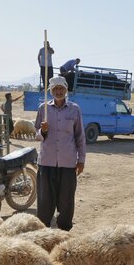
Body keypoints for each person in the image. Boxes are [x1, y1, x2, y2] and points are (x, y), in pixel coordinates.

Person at [34, 76, 86, 231]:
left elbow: (80, 136)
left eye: (61, 88)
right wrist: (42, 131)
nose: (58, 91)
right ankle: (44, 232)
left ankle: (64, 232)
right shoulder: (43, 108)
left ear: (66, 89)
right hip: (46, 163)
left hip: (68, 163)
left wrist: (81, 160)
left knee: (66, 201)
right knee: (45, 201)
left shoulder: (74, 109)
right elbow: (36, 134)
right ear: (51, 91)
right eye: (55, 89)